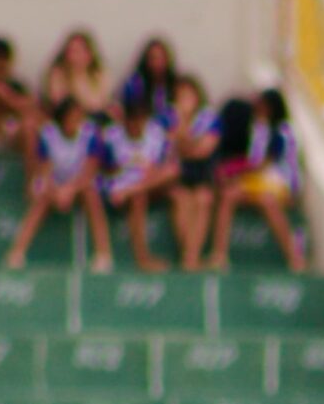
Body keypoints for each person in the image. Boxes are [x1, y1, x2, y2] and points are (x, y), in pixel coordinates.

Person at [203, 86, 304, 271]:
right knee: (228, 196)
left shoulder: (283, 131)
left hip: (275, 183)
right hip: (257, 183)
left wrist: (235, 173)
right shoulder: (258, 129)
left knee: (268, 201)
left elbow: (264, 163)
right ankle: (219, 254)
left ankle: (294, 259)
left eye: (264, 107)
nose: (260, 111)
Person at [3, 97, 107, 272]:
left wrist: (70, 190)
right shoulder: (49, 135)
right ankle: (16, 252)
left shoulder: (90, 134)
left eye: (79, 117)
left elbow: (89, 173)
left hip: (80, 184)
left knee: (92, 195)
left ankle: (103, 254)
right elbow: (45, 172)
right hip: (56, 184)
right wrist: (56, 191)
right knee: (41, 199)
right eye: (72, 117)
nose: (76, 121)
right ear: (63, 119)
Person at [99, 88, 178, 272]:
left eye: (141, 119)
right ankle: (143, 259)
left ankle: (189, 258)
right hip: (120, 189)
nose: (137, 125)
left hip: (149, 184)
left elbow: (165, 165)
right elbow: (107, 171)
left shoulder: (157, 134)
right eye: (132, 120)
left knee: (176, 182)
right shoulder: (111, 135)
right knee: (138, 198)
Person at [168, 73, 221, 270]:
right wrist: (182, 122)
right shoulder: (170, 116)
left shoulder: (209, 118)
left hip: (202, 173)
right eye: (181, 96)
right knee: (180, 199)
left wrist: (184, 140)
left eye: (189, 95)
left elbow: (202, 151)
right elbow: (172, 148)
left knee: (203, 199)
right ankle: (189, 256)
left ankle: (191, 256)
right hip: (178, 175)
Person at [39, 29, 106, 120]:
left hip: (94, 120)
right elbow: (58, 102)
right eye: (71, 51)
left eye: (79, 51)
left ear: (90, 54)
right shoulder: (57, 74)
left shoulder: (99, 74)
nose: (74, 56)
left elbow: (99, 104)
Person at [115, 35, 178, 120]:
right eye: (153, 58)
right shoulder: (134, 83)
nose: (157, 63)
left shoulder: (176, 84)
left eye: (161, 58)